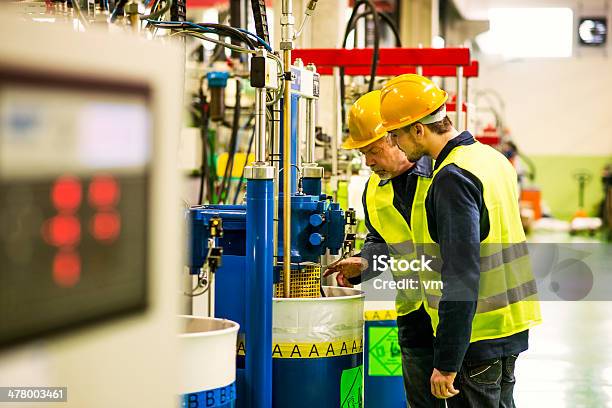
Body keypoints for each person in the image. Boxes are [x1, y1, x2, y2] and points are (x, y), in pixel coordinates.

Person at [379, 74, 542, 407]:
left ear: (418, 129)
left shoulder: (452, 177)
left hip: (475, 335)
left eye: (396, 135)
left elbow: (461, 274)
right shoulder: (493, 160)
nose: (396, 144)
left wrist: (447, 360)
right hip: (510, 325)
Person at [323, 90, 444, 407]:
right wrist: (363, 264)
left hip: (457, 317)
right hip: (414, 318)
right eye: (363, 153)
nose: (368, 161)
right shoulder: (374, 190)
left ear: (398, 138)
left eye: (373, 150)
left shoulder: (443, 176)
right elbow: (382, 241)